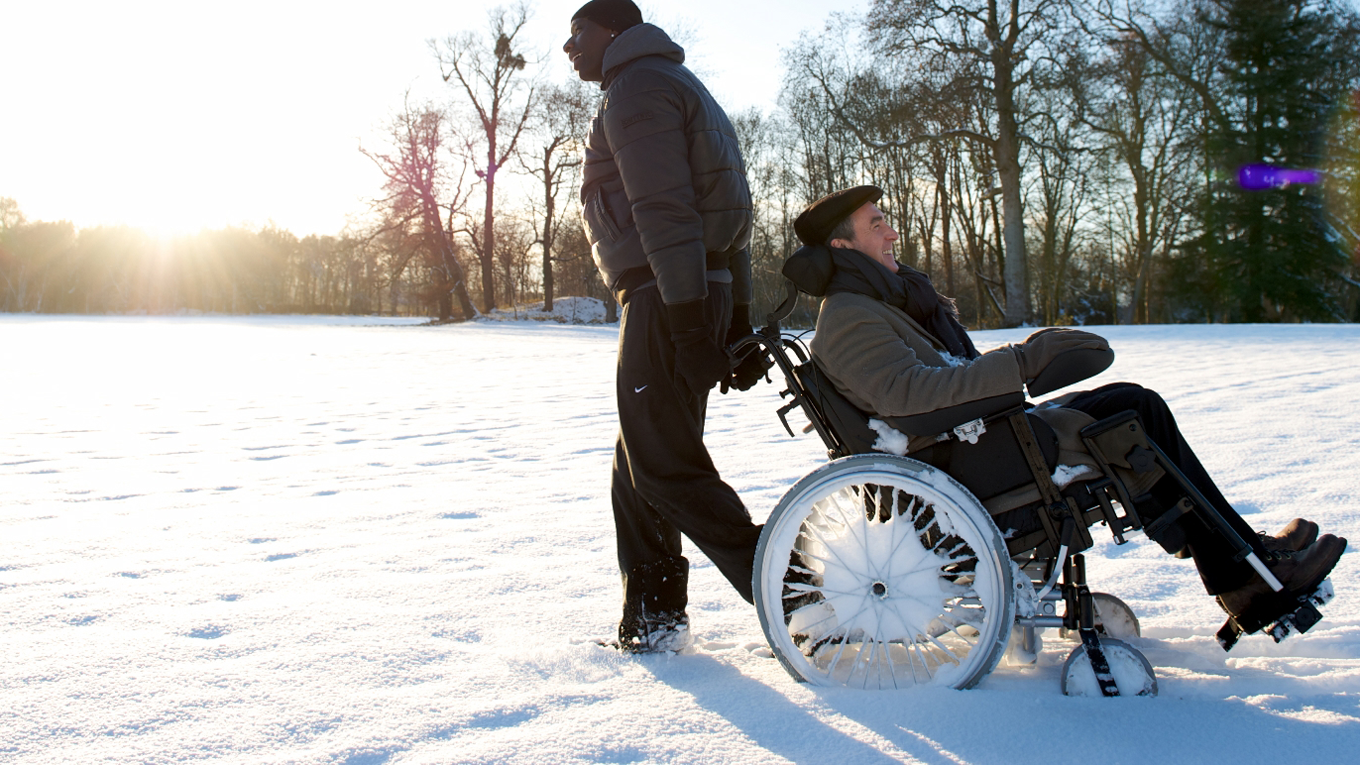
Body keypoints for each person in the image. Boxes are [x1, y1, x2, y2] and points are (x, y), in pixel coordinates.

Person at [793, 184, 1346, 635]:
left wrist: (1025, 364)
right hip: (966, 465)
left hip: (977, 444)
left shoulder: (885, 304)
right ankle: (1246, 574)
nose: (892, 231)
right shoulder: (847, 315)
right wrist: (1021, 362)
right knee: (1125, 420)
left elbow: (941, 380)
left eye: (886, 218)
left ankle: (1246, 560)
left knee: (1135, 404)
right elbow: (909, 396)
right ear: (843, 248)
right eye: (876, 224)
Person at [562, 0, 769, 653]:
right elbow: (733, 215)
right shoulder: (682, 84)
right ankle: (652, 617)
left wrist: (685, 324)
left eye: (578, 33)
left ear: (614, 31)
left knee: (663, 464)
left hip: (664, 295)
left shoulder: (637, 89)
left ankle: (797, 591)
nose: (569, 48)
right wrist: (731, 318)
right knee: (638, 461)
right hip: (685, 291)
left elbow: (665, 211)